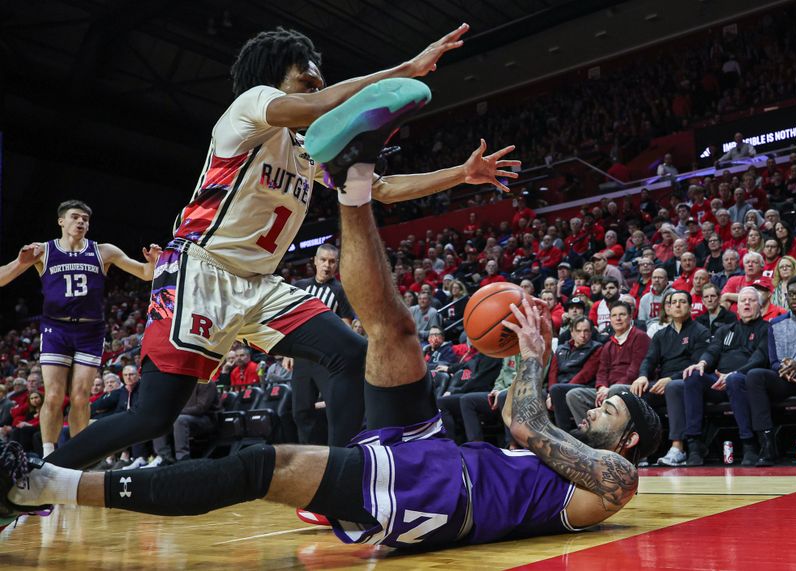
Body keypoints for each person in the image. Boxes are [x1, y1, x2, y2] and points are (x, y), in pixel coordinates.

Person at [1, 99, 662, 544]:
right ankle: (354, 180)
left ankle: (53, 481)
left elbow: (525, 423)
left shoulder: (615, 483)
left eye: (615, 409)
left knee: (259, 464)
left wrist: (528, 358)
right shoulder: (568, 445)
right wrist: (524, 350)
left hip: (435, 493)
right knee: (392, 333)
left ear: (629, 442)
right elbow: (528, 421)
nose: (601, 400)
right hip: (433, 448)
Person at [44, 25, 518, 470]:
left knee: (350, 354)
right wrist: (402, 71)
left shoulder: (308, 150)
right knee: (153, 416)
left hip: (260, 284)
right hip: (202, 270)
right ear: (274, 80)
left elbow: (384, 187)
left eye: (318, 82)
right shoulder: (249, 110)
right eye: (305, 80)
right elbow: (317, 109)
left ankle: (345, 482)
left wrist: (461, 173)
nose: (315, 88)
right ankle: (36, 477)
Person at [0, 200, 161, 458]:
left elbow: (144, 273)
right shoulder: (43, 251)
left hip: (90, 332)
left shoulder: (104, 251)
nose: (81, 222)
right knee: (52, 395)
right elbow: (3, 277)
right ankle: (49, 455)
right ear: (61, 221)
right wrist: (20, 261)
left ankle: (77, 457)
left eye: (85, 219)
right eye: (75, 217)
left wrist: (153, 263)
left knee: (80, 396)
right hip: (56, 329)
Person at [681, 287, 769, 466]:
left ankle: (749, 444)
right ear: (736, 307)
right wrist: (702, 364)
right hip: (718, 382)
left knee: (735, 380)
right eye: (742, 300)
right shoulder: (725, 330)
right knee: (693, 376)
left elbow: (760, 358)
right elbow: (712, 351)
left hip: (744, 380)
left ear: (760, 307)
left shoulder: (766, 328)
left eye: (751, 300)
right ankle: (694, 445)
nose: (746, 303)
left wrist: (733, 374)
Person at [624, 290, 711, 466]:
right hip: (663, 382)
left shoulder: (700, 332)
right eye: (674, 302)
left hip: (686, 381)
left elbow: (696, 364)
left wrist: (671, 379)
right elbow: (649, 360)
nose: (678, 305)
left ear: (690, 307)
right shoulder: (660, 335)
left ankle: (677, 448)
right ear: (668, 308)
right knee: (634, 394)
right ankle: (642, 449)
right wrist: (642, 377)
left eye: (682, 302)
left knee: (674, 387)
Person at [289, 243, 361, 445]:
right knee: (301, 411)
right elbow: (291, 322)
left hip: (328, 360)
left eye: (331, 261)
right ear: (315, 261)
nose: (327, 265)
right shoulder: (300, 287)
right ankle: (310, 455)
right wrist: (288, 353)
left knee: (336, 410)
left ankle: (336, 455)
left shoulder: (340, 291)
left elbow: (346, 325)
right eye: (323, 260)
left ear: (337, 265)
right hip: (303, 358)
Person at [564, 301, 650, 429]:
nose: (618, 318)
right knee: (574, 395)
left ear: (631, 317)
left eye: (622, 314)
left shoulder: (640, 337)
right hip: (609, 389)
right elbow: (602, 371)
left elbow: (635, 370)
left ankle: (611, 435)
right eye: (614, 315)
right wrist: (601, 387)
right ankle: (591, 434)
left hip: (630, 387)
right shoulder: (608, 344)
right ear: (610, 319)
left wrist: (609, 389)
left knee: (616, 390)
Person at [742, 276, 796, 466]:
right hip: (785, 378)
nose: (795, 297)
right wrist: (783, 369)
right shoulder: (775, 324)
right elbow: (773, 361)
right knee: (755, 375)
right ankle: (767, 445)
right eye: (791, 294)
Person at [548, 317, 603, 430]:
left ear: (591, 332)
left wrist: (556, 391)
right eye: (578, 331)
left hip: (581, 386)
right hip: (558, 387)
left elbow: (586, 374)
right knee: (537, 395)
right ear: (572, 332)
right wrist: (550, 394)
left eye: (586, 331)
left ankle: (564, 433)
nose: (583, 335)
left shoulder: (597, 348)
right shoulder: (561, 349)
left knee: (557, 390)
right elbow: (553, 373)